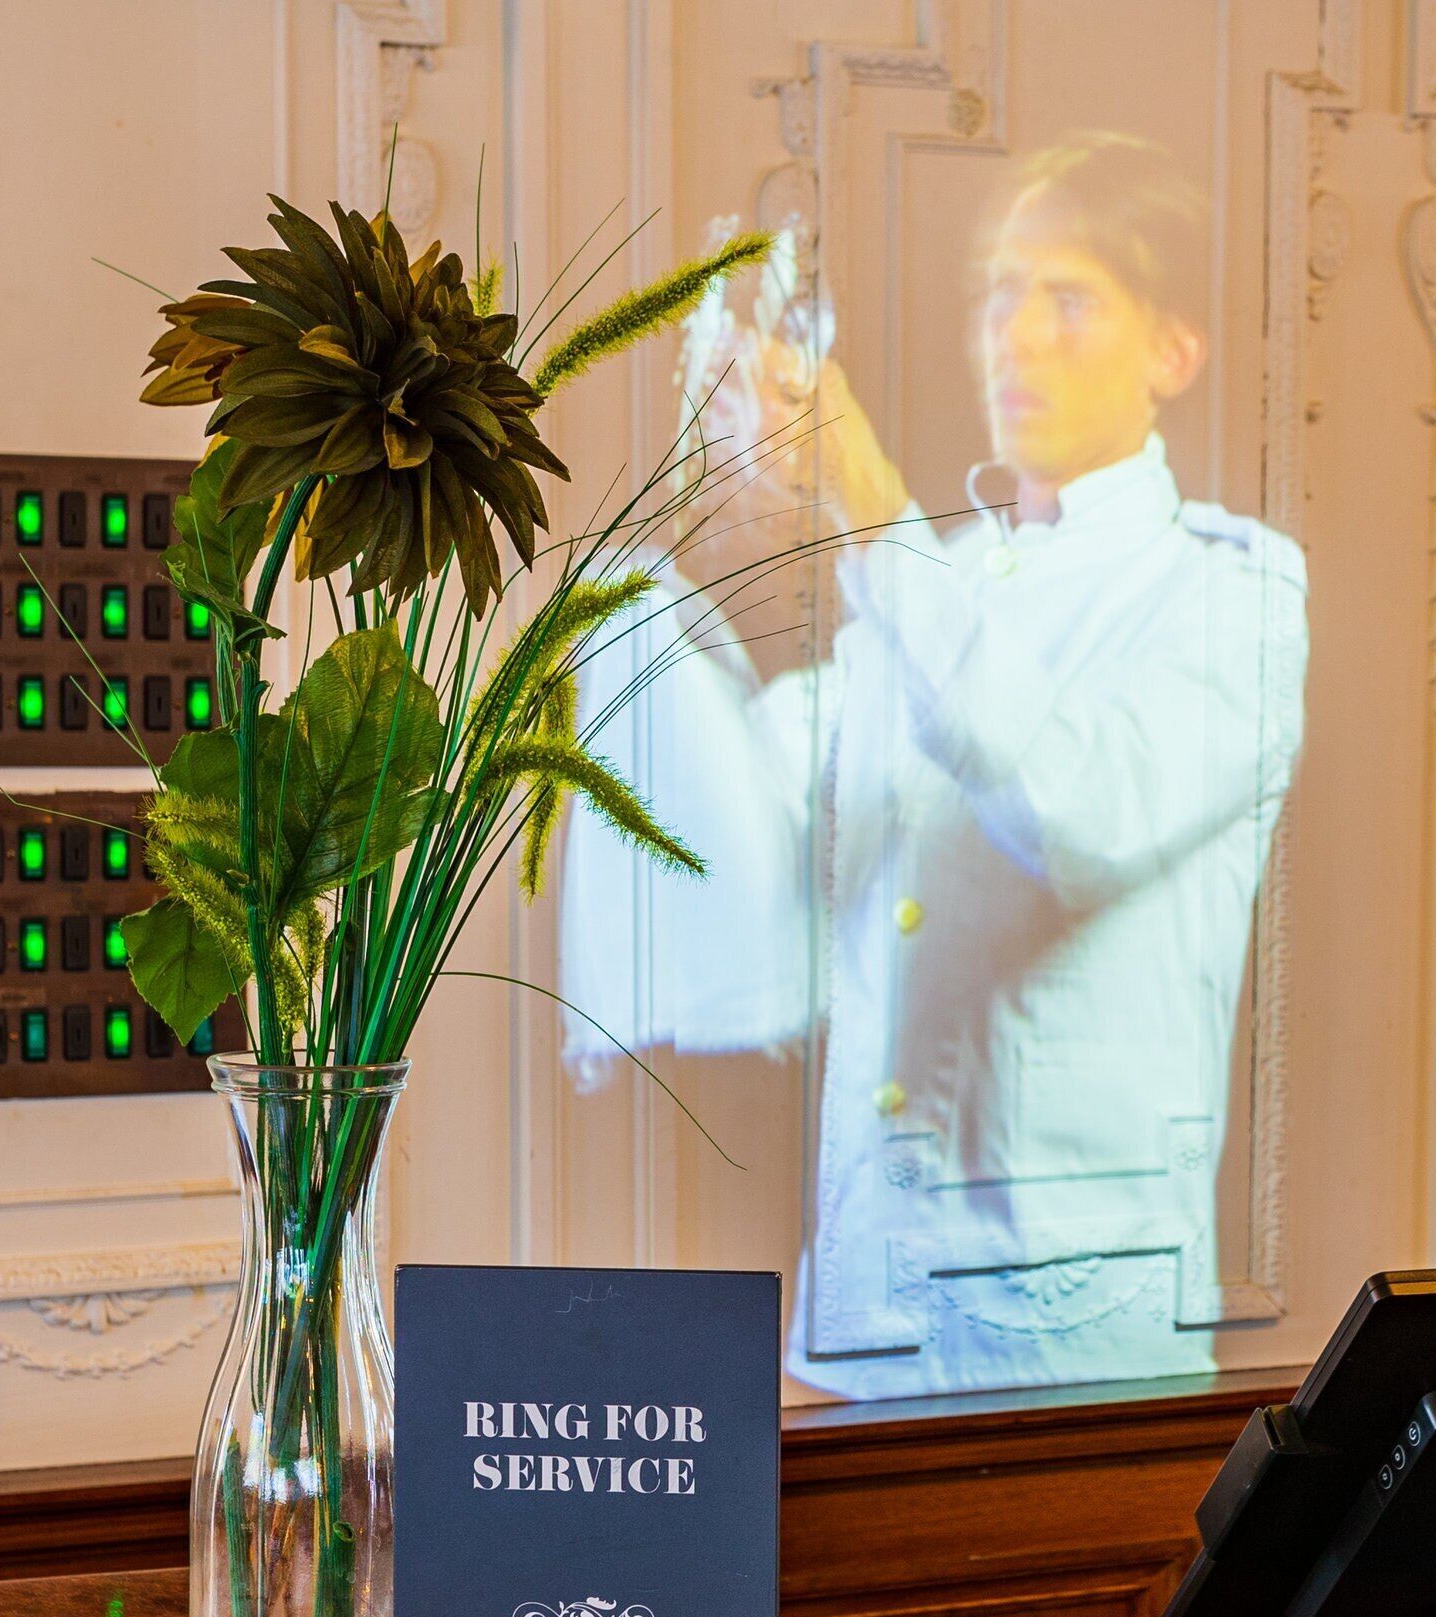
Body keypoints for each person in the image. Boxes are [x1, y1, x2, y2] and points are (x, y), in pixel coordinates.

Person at [561, 134, 1309, 1400]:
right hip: (871, 1301)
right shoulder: (940, 576)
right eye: (999, 295)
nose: (1013, 336)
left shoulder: (1231, 590)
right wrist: (649, 609)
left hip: (1071, 1324)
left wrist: (868, 513)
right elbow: (790, 826)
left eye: (1067, 298)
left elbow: (1075, 811)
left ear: (1171, 350)